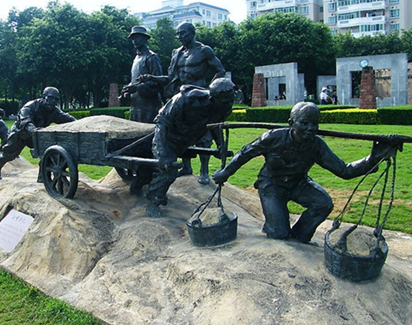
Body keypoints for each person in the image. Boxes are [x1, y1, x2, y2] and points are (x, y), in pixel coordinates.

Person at [212, 102, 397, 244]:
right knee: (278, 234)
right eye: (305, 123)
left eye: (314, 124)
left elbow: (344, 170)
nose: (310, 128)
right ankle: (277, 226)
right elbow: (245, 153)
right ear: (291, 123)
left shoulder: (317, 145)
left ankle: (300, 236)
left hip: (299, 183)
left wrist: (372, 159)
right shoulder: (273, 137)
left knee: (323, 203)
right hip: (272, 185)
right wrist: (225, 173)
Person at [133, 78, 236, 218]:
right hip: (166, 138)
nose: (228, 105)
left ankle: (137, 186)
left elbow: (216, 125)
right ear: (213, 98)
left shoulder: (222, 107)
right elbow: (161, 123)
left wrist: (221, 146)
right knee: (168, 171)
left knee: (149, 170)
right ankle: (154, 203)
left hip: (185, 140)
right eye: (225, 102)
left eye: (230, 101)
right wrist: (162, 153)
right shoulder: (184, 99)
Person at [138, 22, 226, 184]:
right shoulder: (176, 53)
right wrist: (152, 78)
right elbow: (171, 79)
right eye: (178, 34)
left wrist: (209, 91)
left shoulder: (204, 51)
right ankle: (186, 167)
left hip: (199, 99)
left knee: (204, 134)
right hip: (181, 99)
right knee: (180, 133)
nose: (179, 37)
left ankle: (204, 171)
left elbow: (220, 70)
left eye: (183, 33)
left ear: (192, 33)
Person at [0, 86, 76, 180]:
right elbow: (25, 121)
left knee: (48, 154)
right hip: (20, 133)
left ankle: (42, 177)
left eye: (56, 99)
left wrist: (80, 124)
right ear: (44, 97)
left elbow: (67, 118)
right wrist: (34, 130)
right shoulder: (30, 106)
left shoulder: (54, 111)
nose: (53, 101)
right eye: (50, 98)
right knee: (8, 155)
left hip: (38, 135)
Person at [119, 26, 163, 123]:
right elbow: (135, 81)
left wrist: (138, 88)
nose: (134, 41)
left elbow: (158, 82)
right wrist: (128, 90)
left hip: (148, 108)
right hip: (135, 106)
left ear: (144, 38)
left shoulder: (151, 57)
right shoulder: (136, 58)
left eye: (137, 37)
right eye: (132, 38)